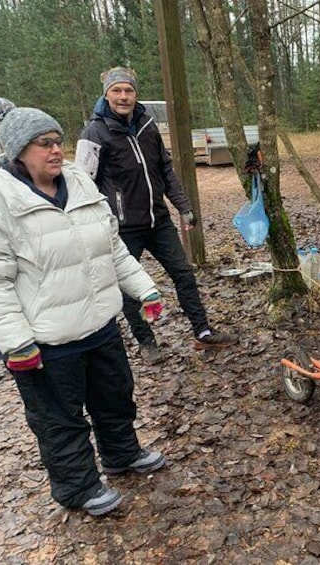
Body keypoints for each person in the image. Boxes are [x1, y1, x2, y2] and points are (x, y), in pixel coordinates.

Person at [0, 98, 167, 517]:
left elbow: (112, 249)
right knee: (60, 421)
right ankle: (78, 487)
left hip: (99, 326)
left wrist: (145, 290)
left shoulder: (82, 185)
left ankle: (122, 454)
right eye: (42, 144)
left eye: (57, 141)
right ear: (17, 151)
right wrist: (17, 343)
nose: (55, 150)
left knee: (115, 398)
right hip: (46, 344)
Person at [76, 66, 237, 364]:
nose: (123, 96)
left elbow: (164, 168)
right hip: (122, 227)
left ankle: (202, 333)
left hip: (158, 220)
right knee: (128, 287)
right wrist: (98, 222)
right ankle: (146, 341)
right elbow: (83, 184)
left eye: (129, 91)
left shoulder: (147, 124)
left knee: (184, 274)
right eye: (117, 91)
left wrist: (183, 207)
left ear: (136, 94)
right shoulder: (93, 133)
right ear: (107, 94)